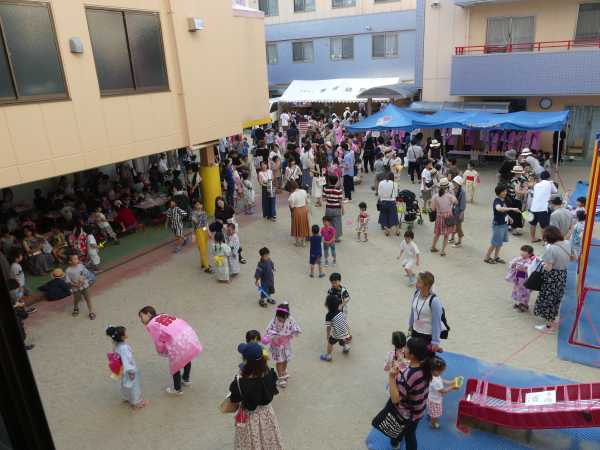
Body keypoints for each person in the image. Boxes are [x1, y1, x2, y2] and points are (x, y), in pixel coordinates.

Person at [223, 343, 284, 450]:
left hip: (249, 417)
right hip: (267, 414)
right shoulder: (270, 374)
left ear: (246, 361)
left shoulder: (240, 382)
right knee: (269, 441)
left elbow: (234, 399)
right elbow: (273, 390)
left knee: (249, 443)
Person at [138, 306, 203, 395]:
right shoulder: (164, 315)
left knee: (175, 366)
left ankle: (177, 389)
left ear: (148, 314)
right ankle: (186, 379)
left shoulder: (151, 325)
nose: (141, 319)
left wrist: (160, 350)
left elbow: (158, 340)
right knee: (187, 358)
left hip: (176, 342)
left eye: (141, 316)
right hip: (188, 335)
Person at [386, 337, 434, 450]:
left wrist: (392, 377)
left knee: (404, 432)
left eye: (406, 348)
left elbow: (395, 399)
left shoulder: (408, 375)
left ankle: (395, 443)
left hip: (406, 413)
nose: (404, 349)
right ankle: (395, 441)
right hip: (419, 410)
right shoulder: (425, 367)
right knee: (410, 431)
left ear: (412, 355)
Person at [533, 226, 575, 333]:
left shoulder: (551, 249)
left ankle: (549, 326)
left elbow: (548, 268)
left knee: (549, 300)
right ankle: (552, 320)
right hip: (562, 274)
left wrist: (542, 263)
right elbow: (574, 258)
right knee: (556, 298)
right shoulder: (567, 243)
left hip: (552, 277)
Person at [105, 326, 147, 409]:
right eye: (125, 333)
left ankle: (126, 397)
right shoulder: (124, 348)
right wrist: (131, 371)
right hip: (128, 369)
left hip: (122, 369)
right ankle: (136, 402)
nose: (127, 334)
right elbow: (127, 360)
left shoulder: (116, 345)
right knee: (134, 385)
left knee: (124, 384)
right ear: (122, 337)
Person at [263, 303, 301, 388]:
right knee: (279, 361)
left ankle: (283, 371)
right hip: (276, 344)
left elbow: (295, 326)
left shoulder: (290, 319)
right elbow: (269, 329)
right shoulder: (274, 320)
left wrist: (294, 331)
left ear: (287, 316)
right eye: (278, 317)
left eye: (282, 318)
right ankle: (280, 377)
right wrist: (271, 335)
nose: (280, 319)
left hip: (286, 344)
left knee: (286, 359)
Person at [408, 272, 444, 352]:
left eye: (419, 282)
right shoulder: (416, 293)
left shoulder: (434, 301)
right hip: (415, 332)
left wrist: (435, 341)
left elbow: (436, 322)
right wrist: (410, 325)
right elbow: (413, 311)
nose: (416, 283)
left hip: (427, 336)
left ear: (426, 286)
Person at [484, 185, 520, 265]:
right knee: (495, 243)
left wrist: (509, 217)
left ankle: (496, 257)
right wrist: (512, 209)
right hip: (498, 225)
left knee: (499, 242)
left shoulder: (503, 200)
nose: (505, 193)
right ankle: (487, 257)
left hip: (504, 224)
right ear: (498, 193)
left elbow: (503, 211)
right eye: (503, 191)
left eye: (505, 191)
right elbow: (499, 208)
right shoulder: (497, 200)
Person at [506, 245, 539, 313]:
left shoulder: (532, 260)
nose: (522, 253)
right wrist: (514, 265)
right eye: (522, 251)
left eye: (524, 252)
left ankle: (524, 305)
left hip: (526, 278)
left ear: (529, 254)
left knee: (525, 291)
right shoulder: (519, 258)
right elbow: (511, 264)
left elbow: (532, 270)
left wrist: (523, 269)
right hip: (519, 277)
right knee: (518, 289)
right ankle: (519, 303)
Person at [427, 356, 458, 430]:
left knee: (432, 410)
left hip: (431, 398)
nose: (442, 373)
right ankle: (433, 423)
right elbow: (443, 391)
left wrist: (451, 382)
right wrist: (452, 387)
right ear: (435, 371)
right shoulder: (435, 382)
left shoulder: (434, 376)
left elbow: (442, 380)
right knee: (435, 414)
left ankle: (430, 414)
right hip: (435, 401)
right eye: (441, 371)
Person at [320, 292, 352, 361]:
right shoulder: (340, 311)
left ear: (327, 305)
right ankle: (346, 347)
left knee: (330, 342)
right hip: (345, 330)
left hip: (337, 333)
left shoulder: (328, 315)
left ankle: (328, 356)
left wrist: (328, 335)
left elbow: (328, 327)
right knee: (341, 338)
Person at [430, 178, 457, 257]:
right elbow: (456, 202)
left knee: (437, 233)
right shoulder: (450, 196)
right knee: (446, 235)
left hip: (439, 217)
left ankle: (433, 247)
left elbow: (433, 209)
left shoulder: (435, 196)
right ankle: (442, 251)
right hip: (448, 217)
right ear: (447, 187)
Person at [65, 253, 95, 320]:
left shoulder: (81, 266)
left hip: (85, 286)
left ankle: (91, 312)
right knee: (77, 299)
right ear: (70, 262)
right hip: (76, 288)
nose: (77, 260)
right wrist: (75, 285)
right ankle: (76, 308)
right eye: (75, 259)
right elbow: (68, 281)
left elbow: (86, 273)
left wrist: (83, 279)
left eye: (77, 258)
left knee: (88, 299)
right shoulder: (68, 270)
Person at [529, 171, 557, 243]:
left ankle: (532, 238)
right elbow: (555, 191)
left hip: (533, 207)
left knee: (533, 224)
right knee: (544, 226)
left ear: (541, 177)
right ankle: (545, 241)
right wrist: (551, 182)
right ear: (548, 177)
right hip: (542, 208)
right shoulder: (549, 183)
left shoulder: (536, 185)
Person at [506, 165, 528, 236]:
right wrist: (525, 191)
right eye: (517, 172)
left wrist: (524, 189)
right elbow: (518, 192)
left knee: (511, 213)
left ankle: (510, 226)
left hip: (510, 198)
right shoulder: (515, 181)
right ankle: (514, 229)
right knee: (515, 214)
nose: (518, 174)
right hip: (515, 199)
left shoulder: (514, 179)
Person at [191, 201, 212, 274]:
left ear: (202, 205)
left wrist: (208, 232)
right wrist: (193, 235)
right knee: (202, 248)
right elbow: (194, 224)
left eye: (200, 204)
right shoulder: (193, 213)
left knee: (204, 248)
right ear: (195, 206)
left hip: (204, 230)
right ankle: (207, 267)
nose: (198, 205)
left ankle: (203, 263)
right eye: (197, 204)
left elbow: (206, 223)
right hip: (199, 231)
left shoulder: (204, 213)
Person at [287, 181, 310, 247]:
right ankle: (303, 242)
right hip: (304, 210)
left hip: (297, 211)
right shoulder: (303, 191)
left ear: (291, 188)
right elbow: (307, 201)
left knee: (296, 225)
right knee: (304, 225)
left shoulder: (292, 195)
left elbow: (292, 206)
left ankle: (297, 242)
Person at [322, 175, 344, 242]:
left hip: (328, 208)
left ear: (329, 181)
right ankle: (336, 238)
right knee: (337, 223)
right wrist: (343, 209)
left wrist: (329, 197)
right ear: (336, 181)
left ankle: (329, 236)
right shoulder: (339, 190)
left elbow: (324, 199)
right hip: (337, 208)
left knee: (328, 223)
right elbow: (340, 200)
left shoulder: (325, 188)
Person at [449, 176, 466, 248]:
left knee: (458, 227)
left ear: (458, 184)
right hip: (453, 210)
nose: (454, 183)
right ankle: (452, 238)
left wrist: (462, 213)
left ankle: (459, 242)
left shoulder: (462, 192)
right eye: (454, 182)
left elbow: (463, 203)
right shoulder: (454, 189)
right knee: (453, 225)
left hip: (459, 211)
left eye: (455, 182)